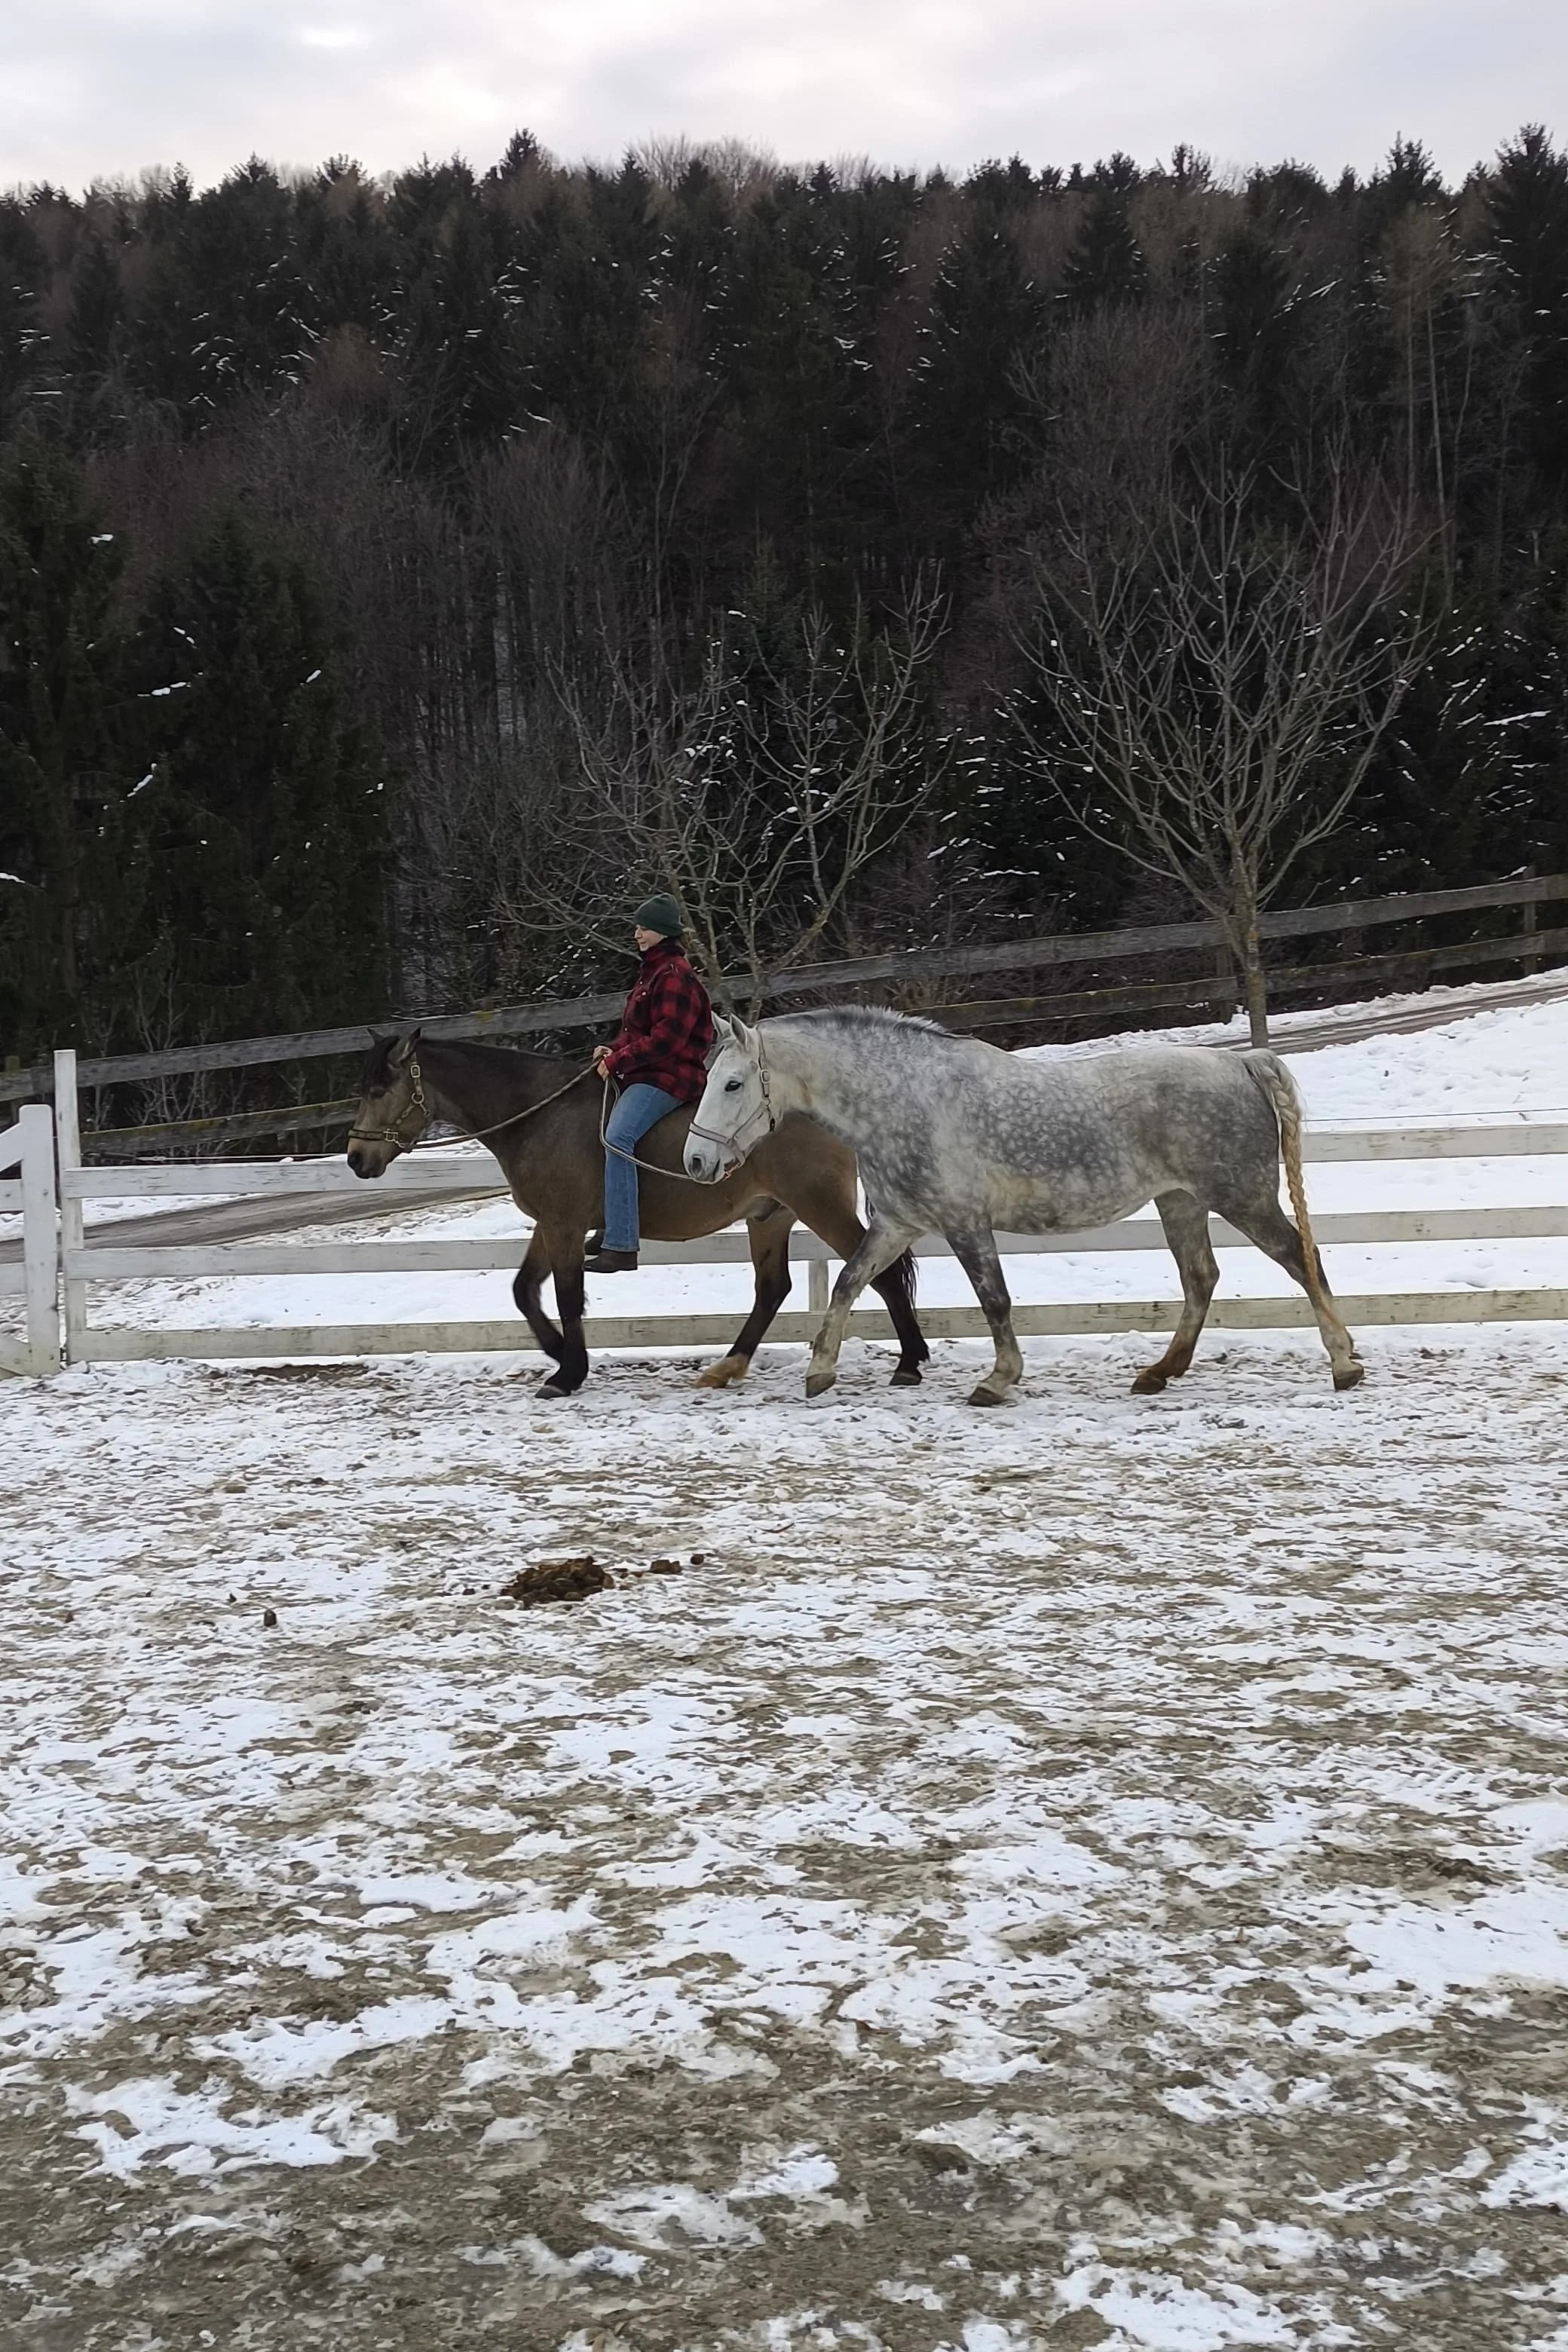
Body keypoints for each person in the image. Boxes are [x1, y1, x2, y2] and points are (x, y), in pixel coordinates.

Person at [585, 894, 716, 1273]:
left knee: (618, 1138)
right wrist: (614, 1048)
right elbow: (639, 1031)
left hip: (671, 1077)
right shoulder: (654, 972)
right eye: (638, 927)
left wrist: (619, 1060)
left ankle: (622, 1244)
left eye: (643, 927)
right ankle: (610, 1219)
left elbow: (667, 1040)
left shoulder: (675, 976)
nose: (636, 933)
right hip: (647, 1073)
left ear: (662, 931)